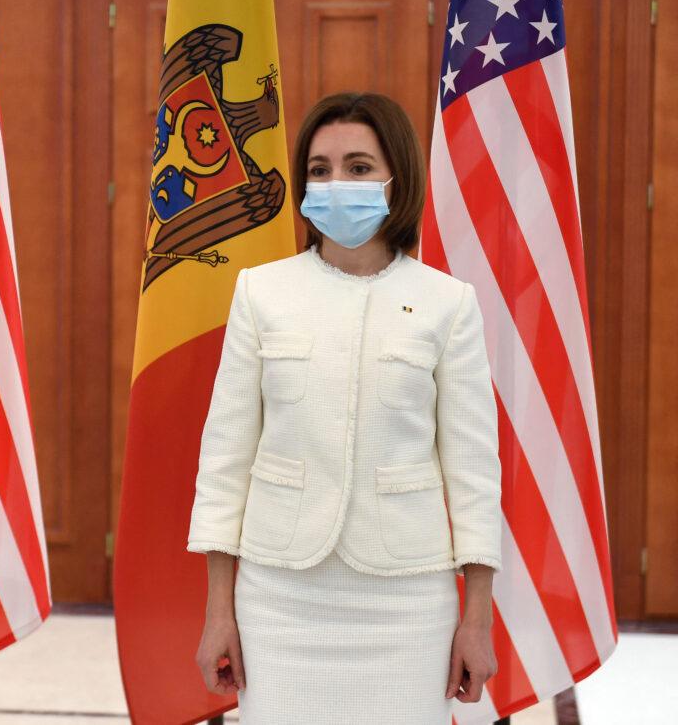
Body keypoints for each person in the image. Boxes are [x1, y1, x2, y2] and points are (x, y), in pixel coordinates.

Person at [188, 92, 502, 723]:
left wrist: (477, 618)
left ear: (398, 177)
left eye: (359, 167)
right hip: (279, 600)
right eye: (321, 168)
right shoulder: (261, 292)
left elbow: (473, 473)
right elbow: (225, 461)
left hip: (408, 604)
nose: (337, 183)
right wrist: (218, 611)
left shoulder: (449, 303)